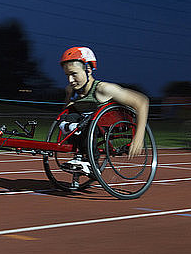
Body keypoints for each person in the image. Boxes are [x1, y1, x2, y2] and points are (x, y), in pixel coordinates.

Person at [58, 46, 149, 174]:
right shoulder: (71, 90)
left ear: (88, 69)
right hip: (85, 125)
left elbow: (142, 101)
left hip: (109, 124)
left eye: (74, 74)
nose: (70, 80)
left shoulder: (103, 89)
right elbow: (66, 111)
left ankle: (92, 164)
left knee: (88, 123)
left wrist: (139, 137)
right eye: (67, 75)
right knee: (67, 119)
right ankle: (79, 157)